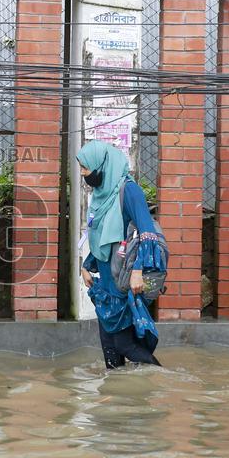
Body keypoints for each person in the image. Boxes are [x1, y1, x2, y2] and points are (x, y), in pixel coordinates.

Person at [77, 140, 166, 369]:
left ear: (102, 164)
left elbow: (147, 233)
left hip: (124, 279)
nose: (84, 173)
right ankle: (118, 401)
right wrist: (87, 265)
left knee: (125, 344)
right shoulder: (99, 195)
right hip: (105, 283)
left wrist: (138, 271)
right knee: (109, 349)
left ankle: (160, 382)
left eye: (85, 167)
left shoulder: (129, 191)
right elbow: (100, 237)